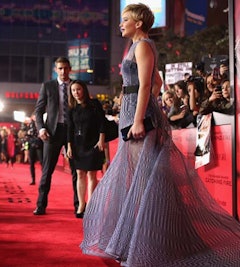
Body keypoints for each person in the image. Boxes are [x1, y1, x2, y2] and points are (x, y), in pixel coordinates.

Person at [80, 3, 240, 266]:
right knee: (137, 180)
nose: (121, 24)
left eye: (125, 19)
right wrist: (136, 108)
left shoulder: (142, 46)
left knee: (142, 181)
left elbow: (146, 85)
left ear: (138, 23)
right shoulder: (136, 46)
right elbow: (156, 84)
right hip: (133, 114)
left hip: (139, 118)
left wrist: (140, 117)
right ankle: (137, 242)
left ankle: (143, 245)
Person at [33, 56, 78, 216]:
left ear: (70, 69)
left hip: (72, 132)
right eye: (60, 68)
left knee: (76, 171)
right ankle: (41, 205)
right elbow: (38, 111)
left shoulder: (75, 86)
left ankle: (79, 207)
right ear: (55, 70)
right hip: (52, 132)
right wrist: (41, 129)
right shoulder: (48, 86)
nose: (63, 71)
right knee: (47, 171)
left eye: (66, 68)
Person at [66, 80, 106, 219]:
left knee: (91, 175)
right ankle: (81, 204)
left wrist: (101, 139)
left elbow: (102, 123)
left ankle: (91, 205)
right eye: (73, 90)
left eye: (78, 89)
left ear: (84, 90)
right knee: (80, 174)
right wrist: (69, 146)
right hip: (78, 144)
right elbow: (70, 129)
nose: (76, 93)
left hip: (93, 143)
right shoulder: (71, 108)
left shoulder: (94, 104)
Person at [26, 114, 43, 185]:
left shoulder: (42, 124)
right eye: (34, 116)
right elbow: (27, 135)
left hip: (40, 145)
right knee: (31, 163)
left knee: (42, 163)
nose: (35, 117)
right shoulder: (30, 125)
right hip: (32, 145)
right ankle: (33, 179)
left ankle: (43, 179)